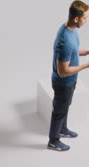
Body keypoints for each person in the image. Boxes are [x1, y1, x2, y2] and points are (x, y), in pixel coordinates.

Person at [48, 1, 89, 151]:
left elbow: (73, 51)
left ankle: (63, 129)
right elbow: (62, 71)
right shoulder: (64, 40)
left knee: (65, 106)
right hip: (63, 84)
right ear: (77, 19)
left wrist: (85, 52)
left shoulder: (71, 30)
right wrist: (86, 65)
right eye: (85, 18)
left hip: (71, 81)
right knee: (59, 112)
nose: (87, 21)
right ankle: (53, 140)